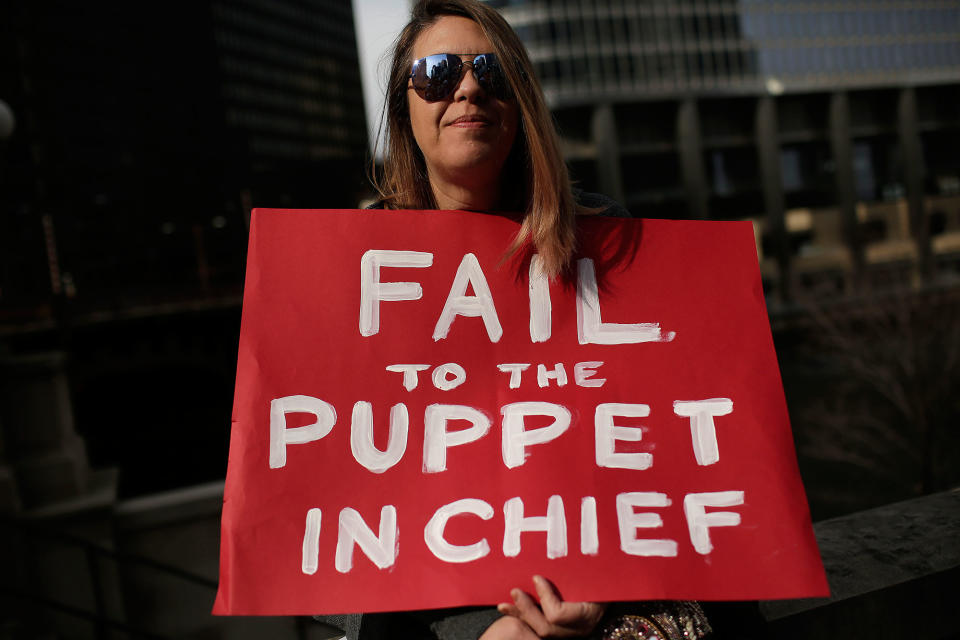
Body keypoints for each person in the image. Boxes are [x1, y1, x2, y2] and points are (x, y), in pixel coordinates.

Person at [339, 1, 712, 638]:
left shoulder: (604, 238)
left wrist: (597, 582)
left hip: (592, 574)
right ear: (405, 107)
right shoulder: (359, 262)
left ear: (521, 101)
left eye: (491, 70)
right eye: (436, 73)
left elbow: (655, 450)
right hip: (424, 587)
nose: (467, 87)